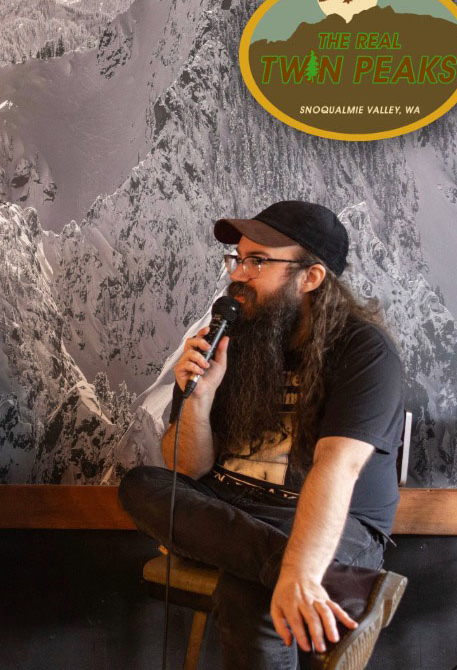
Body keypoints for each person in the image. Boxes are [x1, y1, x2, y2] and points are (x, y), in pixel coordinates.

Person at [119, 200, 407, 670]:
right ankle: (327, 578)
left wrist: (299, 564)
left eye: (258, 261)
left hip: (327, 516)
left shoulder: (363, 350)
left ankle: (290, 568)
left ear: (310, 277)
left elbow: (339, 467)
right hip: (234, 510)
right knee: (142, 485)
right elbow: (187, 468)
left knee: (248, 586)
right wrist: (200, 395)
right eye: (239, 259)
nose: (239, 274)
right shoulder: (232, 336)